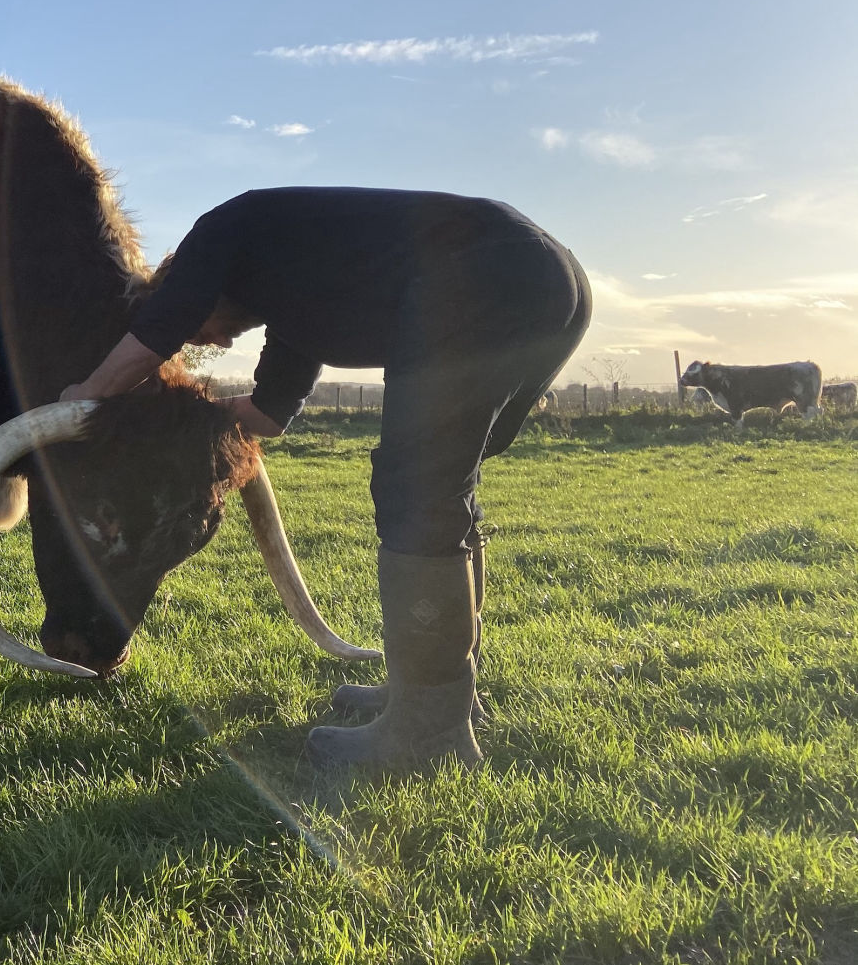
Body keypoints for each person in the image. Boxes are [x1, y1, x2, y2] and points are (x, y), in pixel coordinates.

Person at [60, 187, 591, 774]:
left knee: (418, 485)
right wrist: (174, 422)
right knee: (443, 482)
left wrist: (90, 395)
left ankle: (429, 733)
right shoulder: (297, 303)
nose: (208, 343)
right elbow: (263, 418)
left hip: (487, 274)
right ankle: (434, 693)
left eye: (196, 331)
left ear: (185, 287)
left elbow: (161, 325)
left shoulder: (219, 235)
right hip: (548, 280)